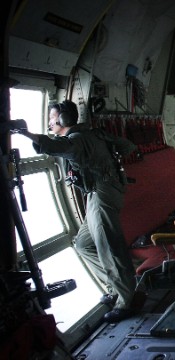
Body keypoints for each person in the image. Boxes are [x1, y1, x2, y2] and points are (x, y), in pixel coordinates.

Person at [16, 100, 143, 323]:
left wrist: (25, 133)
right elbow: (127, 146)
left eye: (52, 117)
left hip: (102, 193)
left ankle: (127, 300)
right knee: (83, 244)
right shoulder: (92, 134)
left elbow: (56, 147)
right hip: (100, 192)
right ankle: (116, 288)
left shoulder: (77, 139)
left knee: (108, 246)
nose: (49, 122)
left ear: (63, 119)